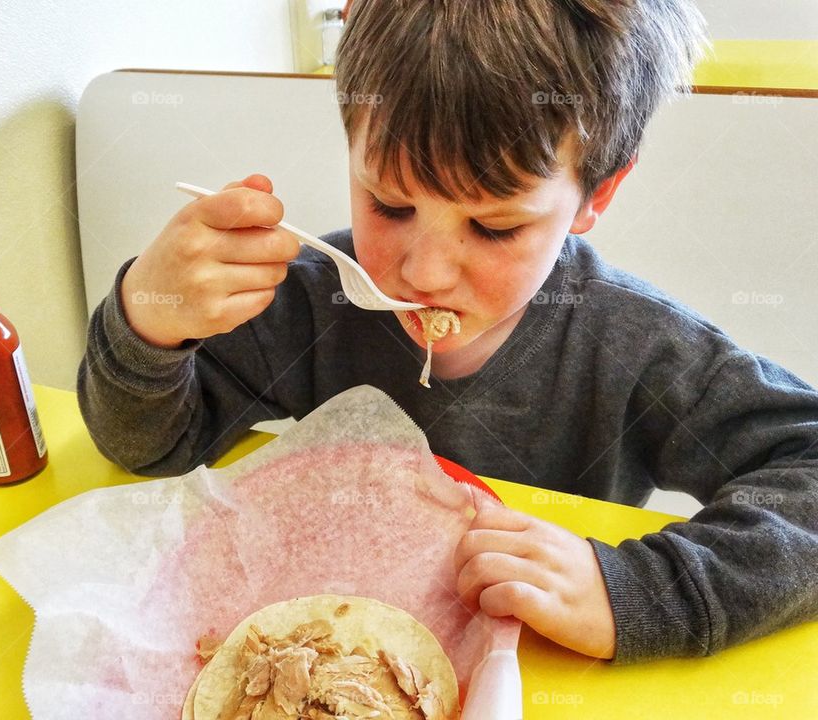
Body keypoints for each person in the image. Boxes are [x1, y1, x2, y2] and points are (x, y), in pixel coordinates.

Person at [77, 0, 818, 663]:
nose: (424, 273)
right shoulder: (306, 302)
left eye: (495, 226)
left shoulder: (634, 345)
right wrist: (150, 323)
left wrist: (636, 591)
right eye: (390, 205)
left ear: (598, 193)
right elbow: (148, 447)